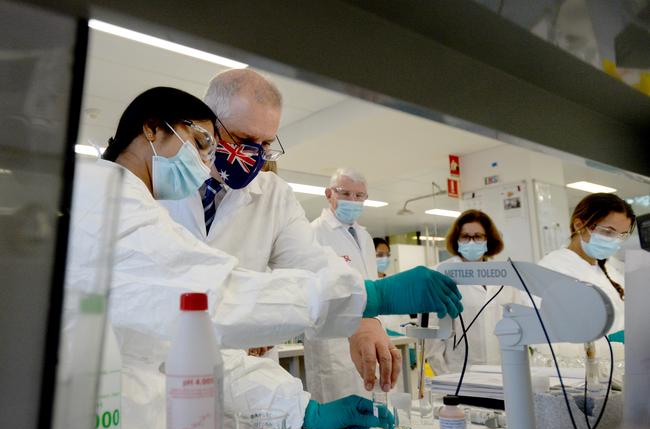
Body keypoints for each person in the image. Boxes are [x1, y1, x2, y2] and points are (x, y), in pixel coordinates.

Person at [67, 87, 463, 429]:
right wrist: (368, 296)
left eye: (265, 145)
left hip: (155, 427)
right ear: (152, 128)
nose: (207, 163)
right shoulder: (106, 199)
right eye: (207, 144)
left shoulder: (152, 201)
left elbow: (191, 346)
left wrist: (299, 409)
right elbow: (213, 300)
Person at [160, 70, 407, 395]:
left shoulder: (274, 195)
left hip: (245, 378)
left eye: (264, 144)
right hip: (160, 372)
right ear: (206, 125)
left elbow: (312, 262)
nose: (255, 156)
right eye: (244, 140)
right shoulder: (157, 181)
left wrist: (363, 317)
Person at [307, 168, 384, 402]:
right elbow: (312, 292)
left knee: (370, 404)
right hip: (333, 343)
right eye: (345, 193)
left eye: (359, 196)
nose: (353, 201)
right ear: (329, 193)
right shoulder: (313, 232)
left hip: (368, 334)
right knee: (338, 410)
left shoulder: (365, 237)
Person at [537, 193, 635, 367]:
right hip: (582, 375)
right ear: (580, 225)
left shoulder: (609, 270)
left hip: (619, 368)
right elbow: (552, 341)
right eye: (608, 232)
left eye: (621, 236)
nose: (614, 242)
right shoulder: (552, 269)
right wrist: (612, 344)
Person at [426, 209, 521, 374]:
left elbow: (518, 325)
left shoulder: (504, 276)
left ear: (488, 240)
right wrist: (447, 380)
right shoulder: (442, 275)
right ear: (457, 240)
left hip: (503, 372)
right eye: (465, 236)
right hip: (460, 375)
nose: (471, 242)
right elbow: (433, 340)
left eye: (477, 236)